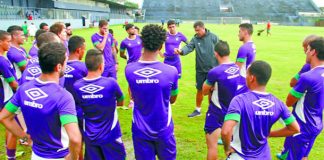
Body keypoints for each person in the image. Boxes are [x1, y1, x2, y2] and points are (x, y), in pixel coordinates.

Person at [0, 42, 82, 159]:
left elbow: (4, 117)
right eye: (65, 61)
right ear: (58, 67)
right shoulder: (63, 96)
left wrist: (24, 137)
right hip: (59, 156)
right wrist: (73, 157)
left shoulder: (23, 89)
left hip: (36, 154)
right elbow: (75, 139)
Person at [221, 60, 300, 159]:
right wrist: (269, 134)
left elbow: (225, 131)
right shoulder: (278, 103)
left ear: (252, 78)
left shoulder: (239, 100)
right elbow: (295, 128)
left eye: (247, 74)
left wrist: (227, 148)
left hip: (241, 156)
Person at [125, 24, 179, 160]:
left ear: (142, 43)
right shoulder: (171, 71)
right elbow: (173, 99)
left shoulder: (129, 70)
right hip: (164, 129)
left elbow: (132, 95)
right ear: (161, 46)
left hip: (140, 129)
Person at [74, 49, 126, 159]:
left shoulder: (77, 86)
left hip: (90, 135)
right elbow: (121, 100)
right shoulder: (111, 83)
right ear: (101, 66)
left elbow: (78, 105)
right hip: (111, 135)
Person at [279, 37, 324, 160]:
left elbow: (289, 101)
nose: (306, 52)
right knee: (303, 156)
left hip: (302, 127)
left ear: (313, 52)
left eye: (307, 49)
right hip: (317, 123)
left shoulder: (307, 77)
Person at [202, 40, 247, 160]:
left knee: (212, 147)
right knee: (232, 147)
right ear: (229, 52)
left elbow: (204, 91)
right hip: (234, 113)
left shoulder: (215, 72)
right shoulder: (238, 69)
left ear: (215, 54)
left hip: (216, 112)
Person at [174, 21, 219, 117]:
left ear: (203, 28)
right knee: (199, 90)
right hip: (200, 70)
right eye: (195, 30)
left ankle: (211, 111)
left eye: (198, 30)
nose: (197, 32)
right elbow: (189, 47)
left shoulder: (214, 37)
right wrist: (181, 51)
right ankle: (197, 110)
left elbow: (220, 51)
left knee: (212, 90)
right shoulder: (195, 39)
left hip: (213, 70)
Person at [0, 30, 23, 160]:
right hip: (6, 99)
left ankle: (8, 149)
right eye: (7, 42)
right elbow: (13, 84)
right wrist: (23, 94)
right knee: (13, 129)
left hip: (4, 97)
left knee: (9, 127)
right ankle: (11, 157)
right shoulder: (2, 61)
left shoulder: (4, 58)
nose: (10, 44)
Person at [120, 23, 143, 108]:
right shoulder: (124, 42)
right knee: (131, 83)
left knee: (142, 81)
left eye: (134, 28)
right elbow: (121, 54)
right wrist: (128, 58)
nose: (133, 30)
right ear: (127, 31)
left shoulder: (140, 38)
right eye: (132, 29)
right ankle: (132, 101)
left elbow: (145, 47)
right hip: (131, 65)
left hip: (141, 64)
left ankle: (140, 98)